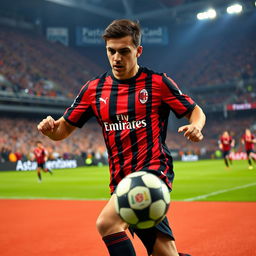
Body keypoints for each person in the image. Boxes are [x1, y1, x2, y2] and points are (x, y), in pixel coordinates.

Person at [37, 19, 206, 256]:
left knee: (107, 223)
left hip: (152, 172)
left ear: (138, 51)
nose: (117, 58)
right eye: (111, 51)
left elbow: (195, 110)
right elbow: (62, 129)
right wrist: (50, 129)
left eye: (124, 51)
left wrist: (196, 126)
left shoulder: (158, 83)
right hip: (119, 179)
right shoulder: (93, 90)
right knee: (165, 253)